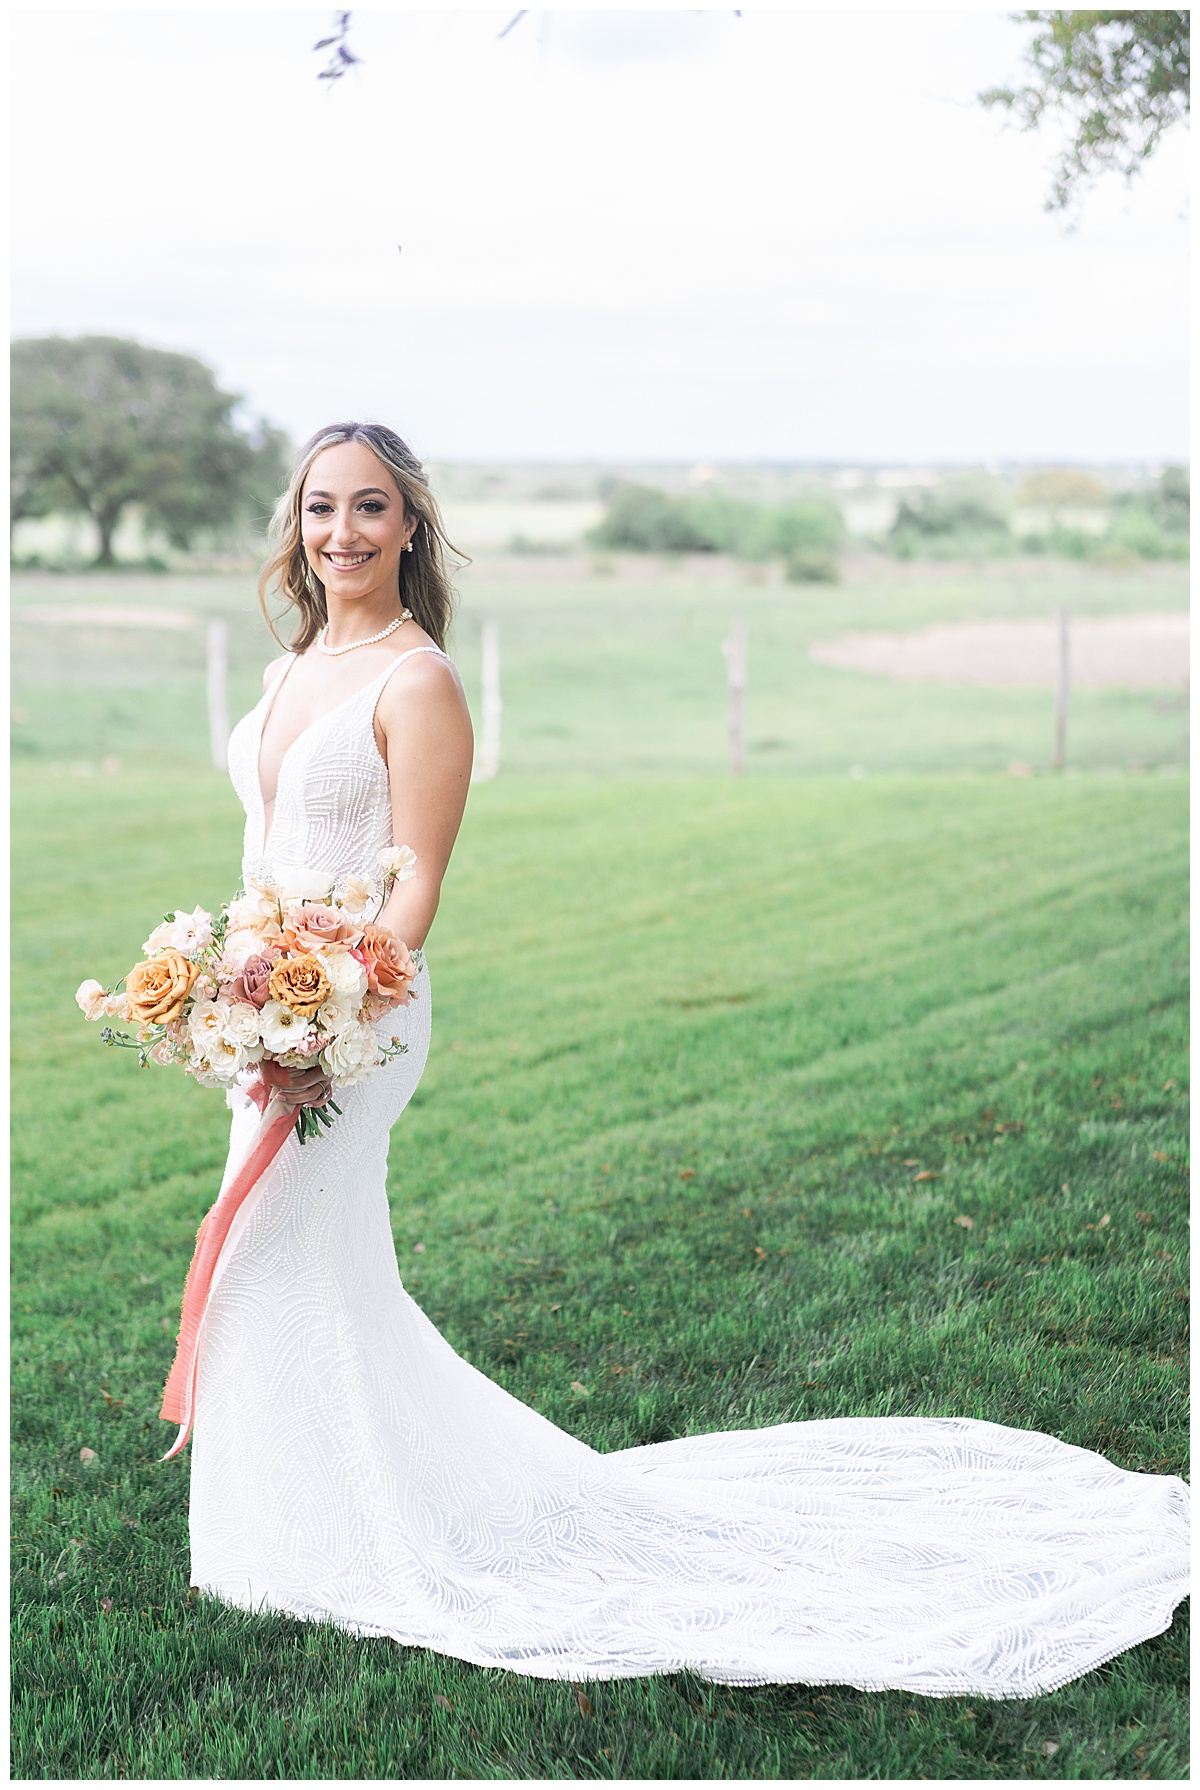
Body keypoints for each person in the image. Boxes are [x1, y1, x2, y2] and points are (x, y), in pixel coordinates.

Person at [189, 420, 1188, 1696]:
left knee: (282, 1259)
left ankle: (352, 1537)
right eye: (321, 507)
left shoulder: (418, 679)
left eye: (370, 508)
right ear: (296, 522)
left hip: (352, 1018)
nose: (343, 532)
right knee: (272, 1267)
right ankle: (286, 1534)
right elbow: (260, 853)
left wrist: (334, 1016)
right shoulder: (290, 672)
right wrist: (232, 986)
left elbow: (418, 876)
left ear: (411, 525)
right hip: (262, 1011)